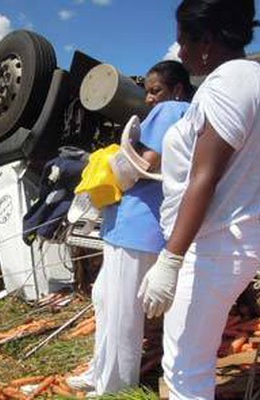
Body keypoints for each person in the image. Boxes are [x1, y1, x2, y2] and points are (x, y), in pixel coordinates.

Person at [137, 0, 260, 398]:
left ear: (209, 41)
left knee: (184, 370)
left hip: (212, 245)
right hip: (224, 242)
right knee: (189, 362)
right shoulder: (255, 80)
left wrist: (171, 258)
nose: (179, 52)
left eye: (184, 41)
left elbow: (205, 177)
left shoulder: (226, 84)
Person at [67, 61, 194, 394]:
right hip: (131, 226)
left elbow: (145, 162)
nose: (150, 98)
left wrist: (106, 164)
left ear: (177, 89)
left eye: (157, 90)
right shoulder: (188, 113)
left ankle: (115, 386)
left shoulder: (172, 110)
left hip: (138, 226)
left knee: (123, 312)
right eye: (148, 92)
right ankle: (100, 372)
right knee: (106, 300)